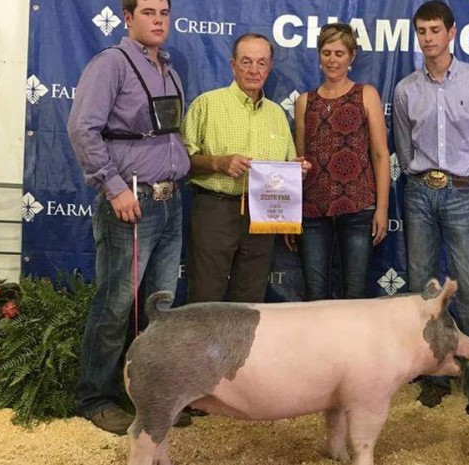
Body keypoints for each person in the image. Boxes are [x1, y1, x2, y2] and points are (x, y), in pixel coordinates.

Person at [67, 0, 190, 435]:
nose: (158, 20)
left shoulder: (169, 70)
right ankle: (96, 397)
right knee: (116, 303)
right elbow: (83, 128)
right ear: (128, 18)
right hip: (131, 202)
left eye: (164, 12)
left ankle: (150, 395)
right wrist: (114, 187)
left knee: (159, 306)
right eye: (148, 12)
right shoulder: (111, 64)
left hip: (170, 200)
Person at [392, 0, 469, 407]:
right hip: (419, 190)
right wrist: (419, 176)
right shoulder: (405, 88)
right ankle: (433, 373)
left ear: (451, 33)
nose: (428, 38)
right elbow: (403, 147)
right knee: (423, 286)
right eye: (422, 31)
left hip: (461, 190)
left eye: (435, 30)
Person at [181, 33, 308, 304]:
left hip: (262, 216)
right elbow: (181, 161)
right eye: (246, 62)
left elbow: (285, 165)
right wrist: (218, 162)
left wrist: (296, 170)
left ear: (270, 67)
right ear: (232, 64)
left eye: (261, 63)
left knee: (249, 302)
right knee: (205, 298)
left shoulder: (276, 114)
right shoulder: (207, 104)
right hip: (215, 211)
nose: (254, 70)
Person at [288, 23, 390, 300]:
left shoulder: (366, 94)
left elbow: (381, 155)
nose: (332, 60)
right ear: (319, 56)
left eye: (339, 53)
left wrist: (382, 209)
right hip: (312, 211)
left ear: (352, 57)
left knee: (355, 294)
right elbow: (300, 162)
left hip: (358, 207)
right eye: (326, 52)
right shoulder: (304, 102)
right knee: (315, 294)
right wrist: (289, 217)